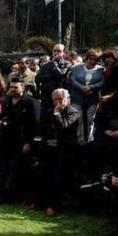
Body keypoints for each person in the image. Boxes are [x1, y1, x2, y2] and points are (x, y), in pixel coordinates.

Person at [0, 79, 39, 202]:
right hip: (5, 138)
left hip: (20, 140)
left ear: (22, 88)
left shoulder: (31, 102)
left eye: (15, 87)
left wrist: (28, 142)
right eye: (11, 87)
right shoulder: (7, 101)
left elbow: (35, 124)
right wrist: (0, 122)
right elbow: (3, 116)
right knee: (1, 167)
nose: (12, 89)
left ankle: (6, 196)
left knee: (14, 169)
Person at [41, 88, 81, 216]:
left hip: (65, 151)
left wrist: (57, 114)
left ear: (67, 99)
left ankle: (53, 206)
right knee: (44, 175)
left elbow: (64, 126)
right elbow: (44, 128)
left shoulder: (73, 112)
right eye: (55, 100)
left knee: (58, 178)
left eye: (60, 99)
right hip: (49, 148)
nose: (57, 102)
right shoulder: (49, 111)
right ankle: (41, 202)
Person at [69, 48, 104, 142]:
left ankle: (89, 139)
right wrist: (82, 88)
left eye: (96, 60)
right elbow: (72, 80)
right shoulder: (76, 67)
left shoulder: (101, 69)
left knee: (90, 119)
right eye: (91, 59)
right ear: (86, 58)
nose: (93, 61)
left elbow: (102, 82)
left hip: (93, 97)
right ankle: (80, 139)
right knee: (79, 118)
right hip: (77, 96)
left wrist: (90, 87)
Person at [35, 43, 72, 113]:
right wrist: (50, 76)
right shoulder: (45, 66)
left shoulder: (67, 64)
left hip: (60, 98)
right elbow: (38, 78)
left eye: (59, 51)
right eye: (54, 51)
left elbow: (61, 75)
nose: (56, 53)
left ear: (63, 53)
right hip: (46, 98)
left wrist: (54, 64)